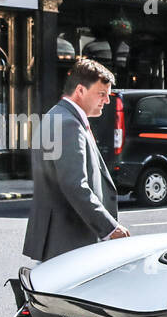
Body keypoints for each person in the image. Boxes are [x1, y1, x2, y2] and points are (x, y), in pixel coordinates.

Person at [23, 58, 128, 262]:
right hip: (69, 241)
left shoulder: (56, 116)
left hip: (58, 240)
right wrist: (110, 228)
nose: (106, 101)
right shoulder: (68, 124)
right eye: (101, 94)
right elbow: (75, 185)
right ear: (80, 90)